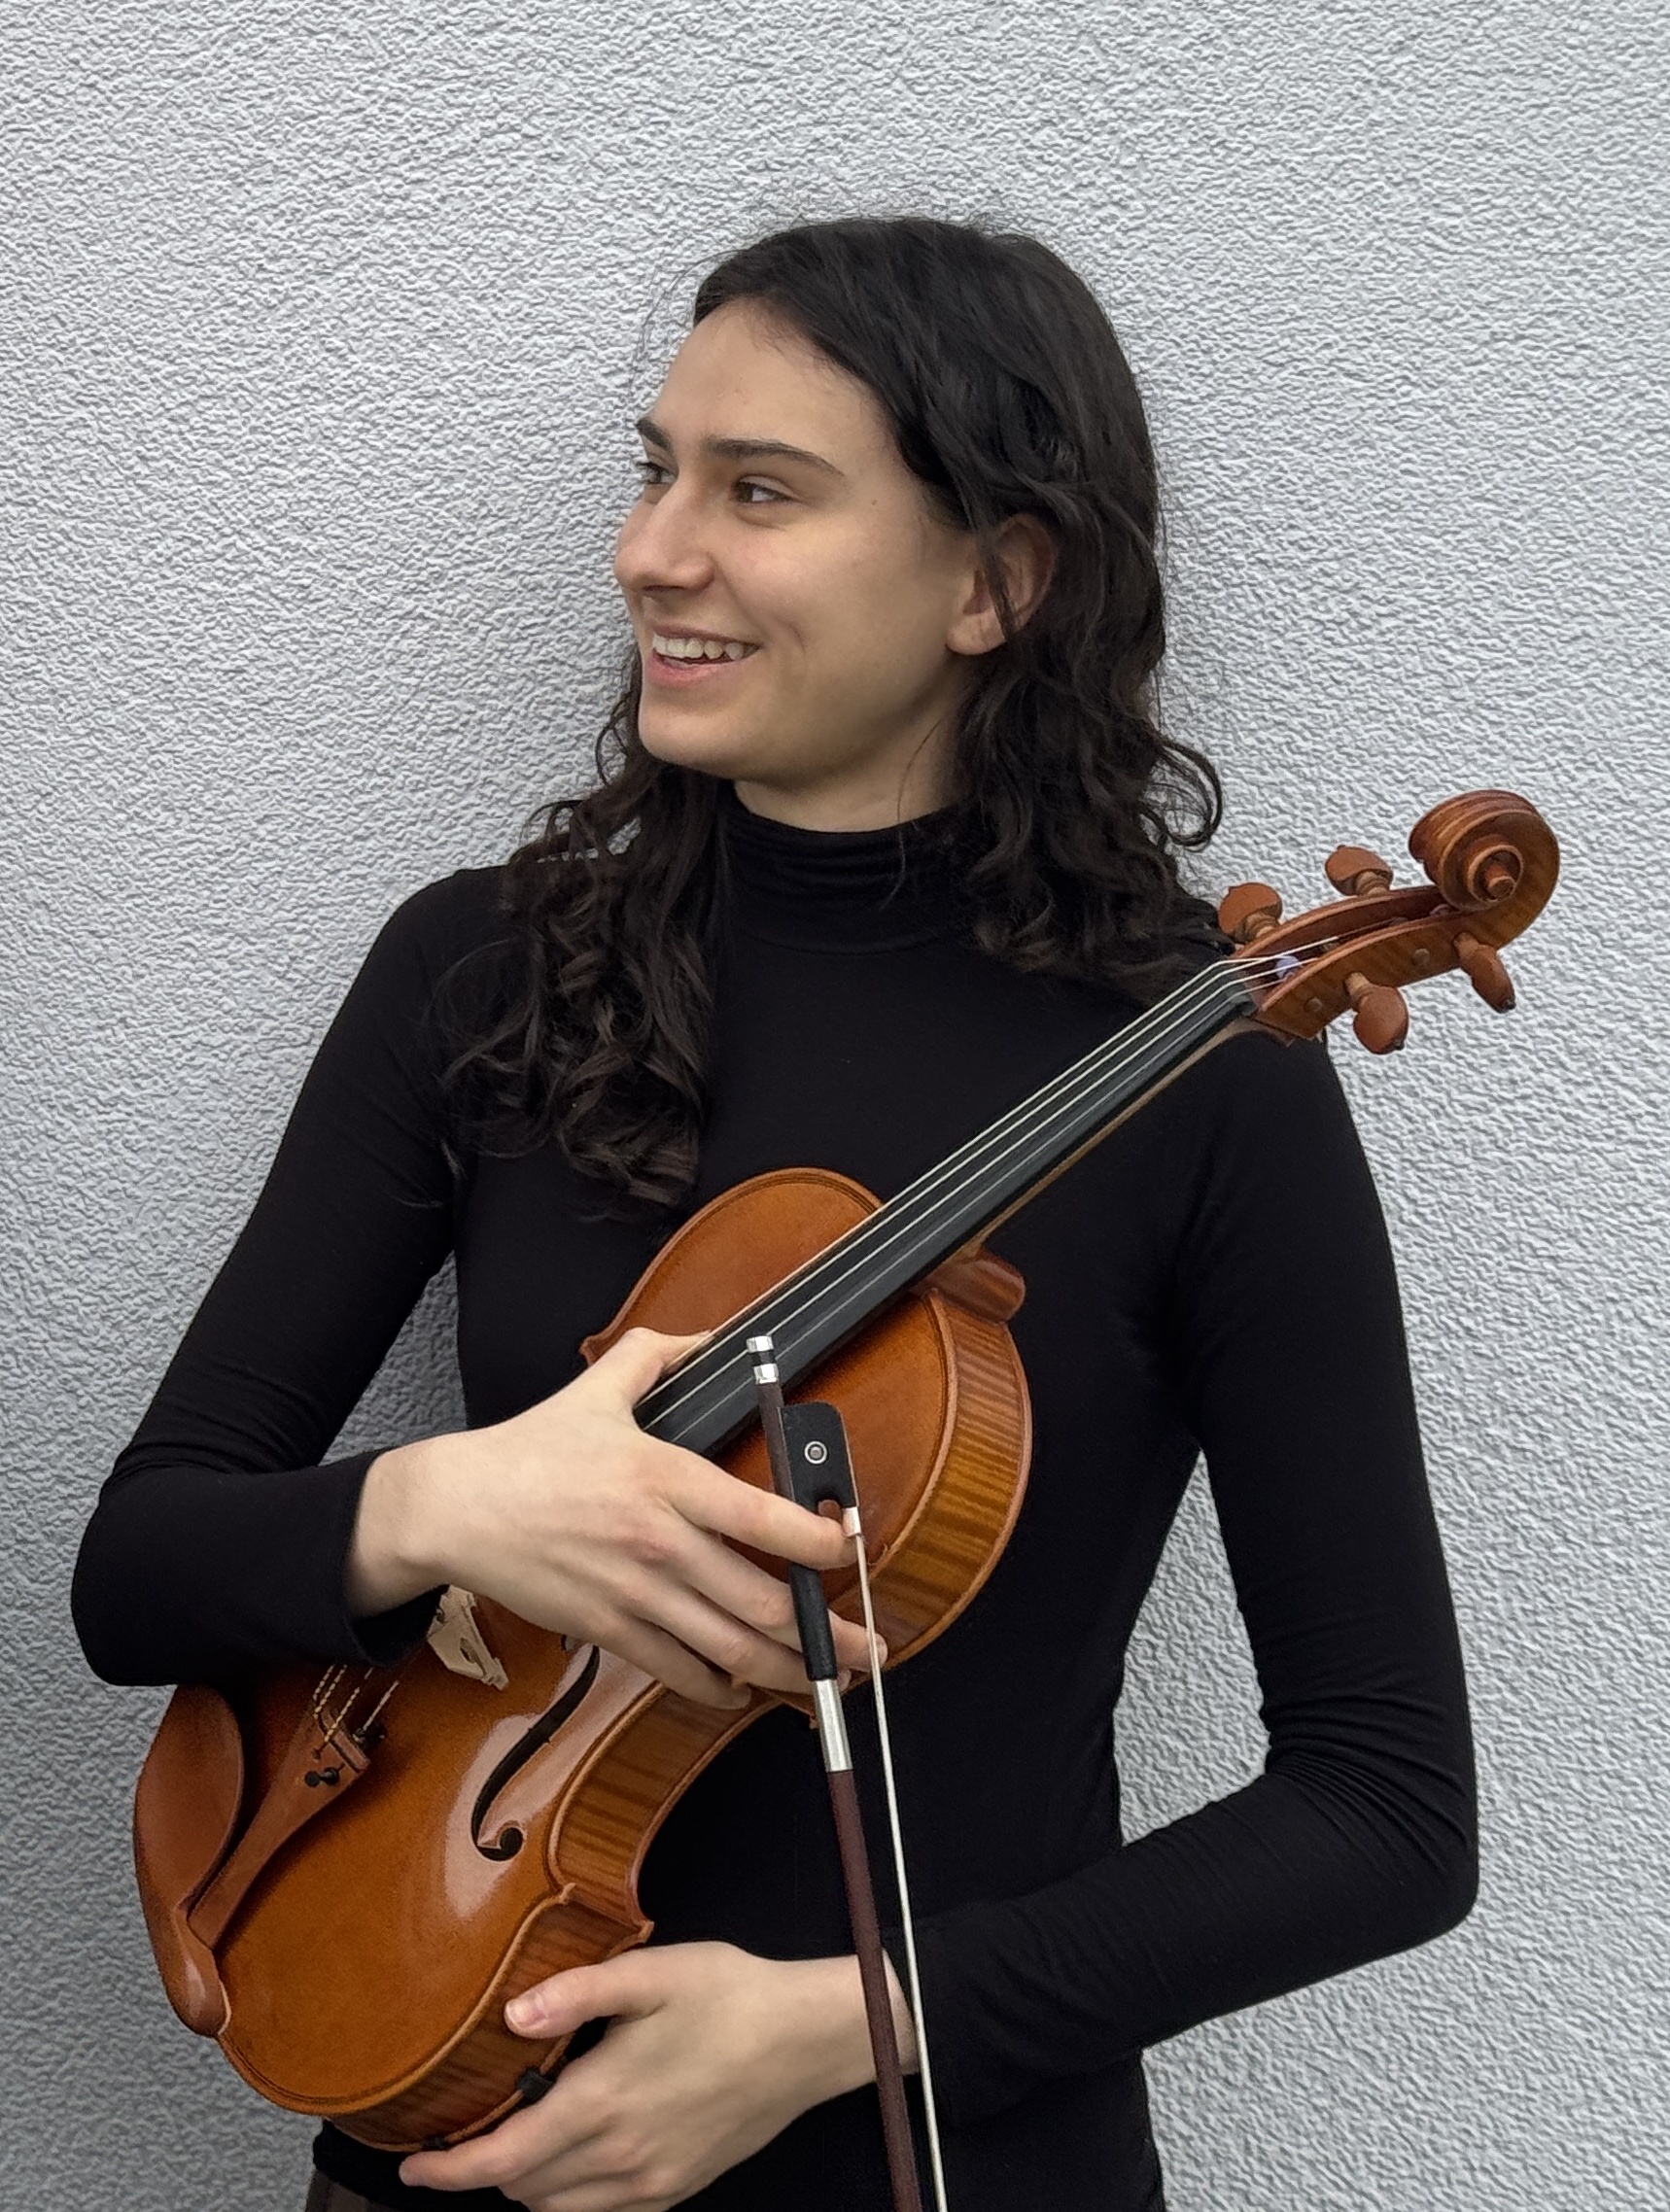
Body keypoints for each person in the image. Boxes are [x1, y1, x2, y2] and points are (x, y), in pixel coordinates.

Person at [72, 217, 1478, 2212]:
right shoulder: (481, 974)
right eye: (657, 471)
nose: (652, 551)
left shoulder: (1198, 1068)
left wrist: (847, 2022)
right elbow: (137, 1571)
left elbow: (1385, 1808)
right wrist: (450, 1506)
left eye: (758, 492)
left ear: (997, 580)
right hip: (447, 2122)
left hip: (947, 2163)